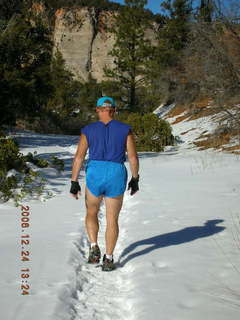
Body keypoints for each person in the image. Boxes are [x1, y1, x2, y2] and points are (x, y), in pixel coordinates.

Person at [70, 96, 139, 271]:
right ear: (114, 110)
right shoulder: (125, 130)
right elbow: (132, 157)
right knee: (112, 218)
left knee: (91, 211)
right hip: (116, 172)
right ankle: (108, 258)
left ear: (98, 110)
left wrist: (74, 181)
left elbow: (79, 157)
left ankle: (94, 247)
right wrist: (135, 178)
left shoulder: (88, 130)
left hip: (95, 172)